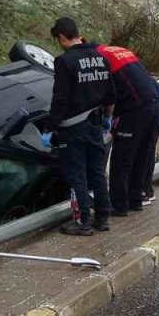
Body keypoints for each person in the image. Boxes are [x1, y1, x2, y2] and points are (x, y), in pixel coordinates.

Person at [44, 17, 115, 236]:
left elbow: (60, 99)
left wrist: (49, 128)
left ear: (63, 37)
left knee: (77, 175)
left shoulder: (65, 61)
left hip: (73, 127)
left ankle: (83, 221)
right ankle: (102, 217)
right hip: (95, 123)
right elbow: (111, 94)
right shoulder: (100, 57)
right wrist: (107, 118)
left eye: (58, 39)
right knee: (97, 172)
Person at [96, 43, 159, 216]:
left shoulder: (99, 57)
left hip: (135, 108)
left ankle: (119, 205)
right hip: (154, 102)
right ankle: (135, 200)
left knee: (122, 157)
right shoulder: (118, 50)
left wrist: (107, 115)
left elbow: (106, 90)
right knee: (141, 155)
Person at [142, 79, 159, 206]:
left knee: (145, 150)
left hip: (154, 104)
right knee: (148, 149)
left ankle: (144, 191)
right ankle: (147, 190)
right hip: (158, 101)